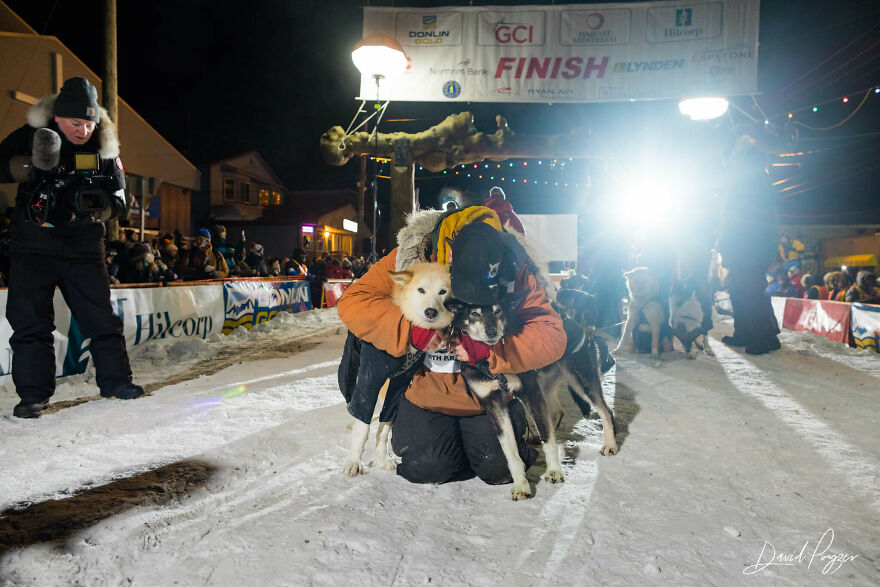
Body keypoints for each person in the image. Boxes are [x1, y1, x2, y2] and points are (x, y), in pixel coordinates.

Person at [337, 206, 564, 485]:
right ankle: (456, 447)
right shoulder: (414, 256)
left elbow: (552, 334)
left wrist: (491, 352)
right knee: (429, 467)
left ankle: (480, 446)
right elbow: (354, 301)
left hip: (486, 395)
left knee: (499, 469)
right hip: (426, 392)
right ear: (450, 255)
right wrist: (411, 330)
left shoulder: (515, 268)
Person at [0, 76, 143, 418]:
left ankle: (116, 382)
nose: (83, 131)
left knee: (100, 319)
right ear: (57, 118)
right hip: (32, 244)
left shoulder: (105, 147)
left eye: (90, 123)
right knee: (30, 322)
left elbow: (124, 198)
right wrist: (26, 168)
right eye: (76, 123)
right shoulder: (31, 136)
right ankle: (32, 396)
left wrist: (101, 208)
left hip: (82, 247)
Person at [716, 135, 781, 354]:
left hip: (750, 246)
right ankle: (745, 331)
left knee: (750, 290)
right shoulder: (746, 178)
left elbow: (752, 218)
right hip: (741, 245)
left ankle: (764, 336)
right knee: (738, 289)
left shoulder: (753, 179)